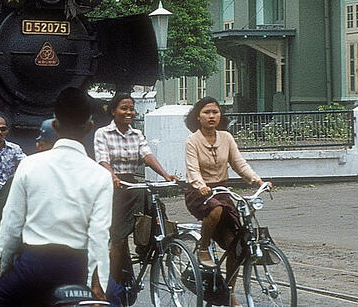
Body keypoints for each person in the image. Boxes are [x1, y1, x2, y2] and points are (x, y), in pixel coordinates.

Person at [0, 88, 113, 306]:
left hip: (34, 266)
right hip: (78, 266)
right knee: (117, 298)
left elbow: (11, 225)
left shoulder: (29, 165)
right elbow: (99, 235)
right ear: (90, 127)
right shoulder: (101, 176)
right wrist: (98, 285)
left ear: (56, 126)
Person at [183, 96, 270, 306]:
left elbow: (239, 163)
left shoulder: (226, 138)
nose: (211, 116)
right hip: (198, 192)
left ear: (220, 115)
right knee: (215, 210)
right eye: (206, 112)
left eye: (215, 112)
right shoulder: (192, 141)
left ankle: (229, 292)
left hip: (222, 191)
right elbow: (192, 169)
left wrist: (257, 180)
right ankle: (204, 247)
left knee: (236, 245)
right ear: (198, 116)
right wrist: (201, 185)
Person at [93, 92, 179, 294]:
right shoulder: (102, 133)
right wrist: (112, 176)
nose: (128, 112)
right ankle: (112, 288)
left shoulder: (137, 134)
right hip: (112, 187)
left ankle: (154, 251)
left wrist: (166, 175)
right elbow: (102, 159)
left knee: (158, 216)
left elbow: (147, 156)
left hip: (132, 184)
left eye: (131, 108)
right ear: (113, 111)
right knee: (119, 238)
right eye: (124, 108)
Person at [0, 118, 58, 247]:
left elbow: (26, 163)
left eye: (3, 129)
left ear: (7, 130)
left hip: (10, 193)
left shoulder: (14, 148)